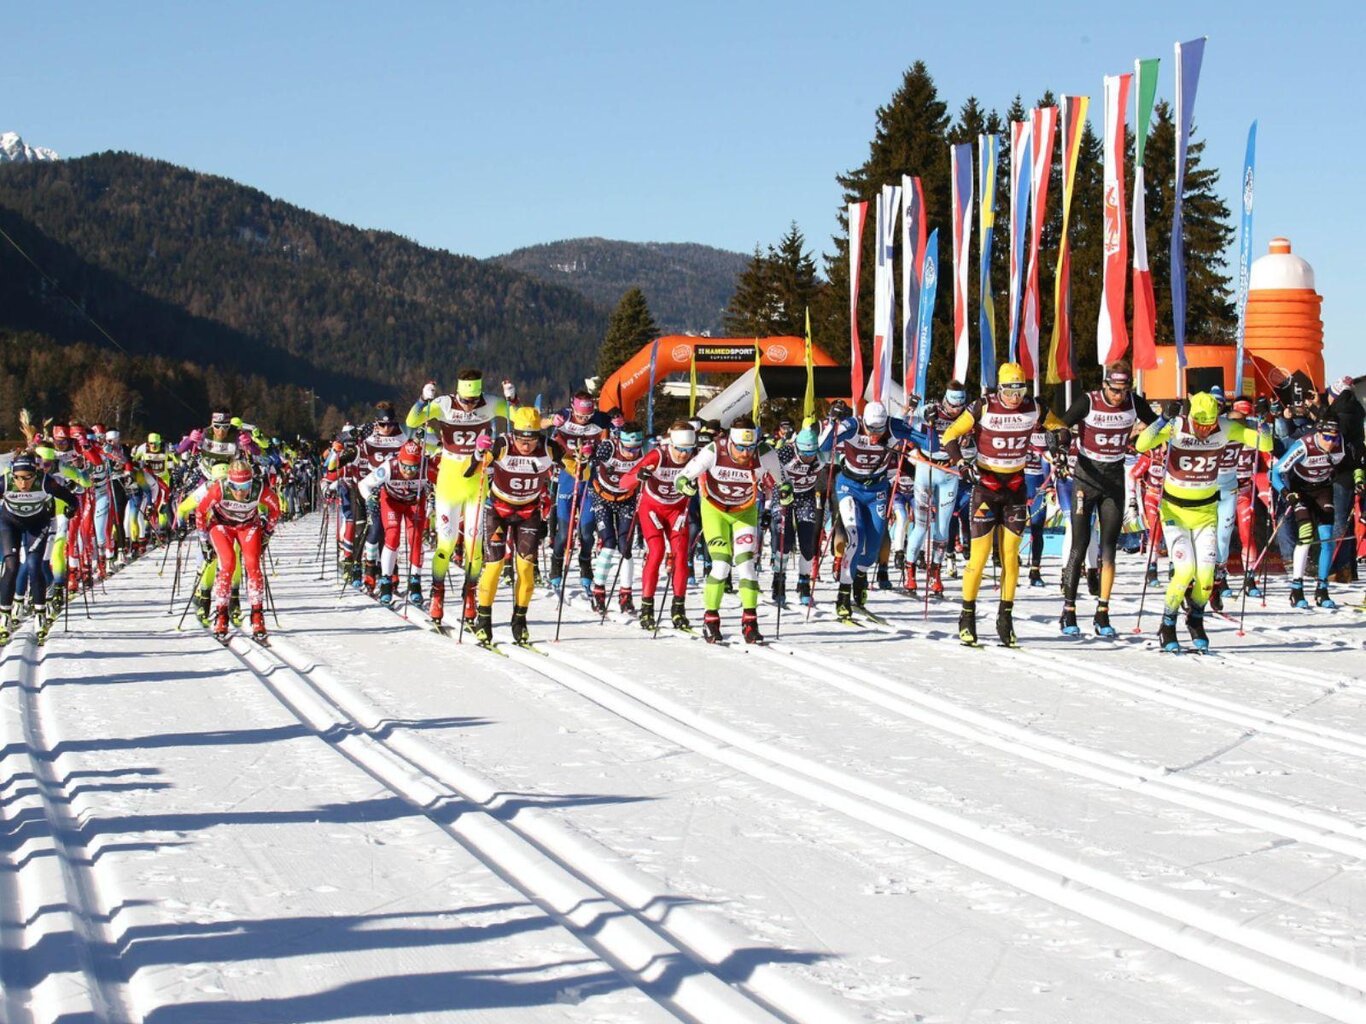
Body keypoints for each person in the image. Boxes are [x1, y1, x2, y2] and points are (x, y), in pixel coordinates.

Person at [1134, 392, 1274, 652]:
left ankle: (1195, 618)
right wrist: (1163, 418)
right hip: (1175, 511)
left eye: (1209, 425)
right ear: (1190, 416)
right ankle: (1167, 623)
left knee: (1208, 577)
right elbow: (1142, 444)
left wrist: (1263, 421)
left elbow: (1264, 445)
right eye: (1199, 424)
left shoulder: (1225, 427)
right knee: (1185, 570)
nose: (1204, 430)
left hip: (1206, 511)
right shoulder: (1178, 425)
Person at [1052, 361, 1158, 637]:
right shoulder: (1089, 401)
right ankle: (1069, 610)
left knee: (1109, 548)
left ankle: (1102, 612)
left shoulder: (1134, 402)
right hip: (1085, 481)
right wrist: (1061, 443)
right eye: (1114, 390)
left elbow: (1158, 427)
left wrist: (1166, 422)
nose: (1119, 396)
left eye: (1123, 390)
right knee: (1081, 542)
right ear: (1105, 385)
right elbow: (1060, 425)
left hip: (1113, 480)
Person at [940, 362, 1043, 646]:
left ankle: (1005, 619)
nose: (1015, 397)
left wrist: (1059, 439)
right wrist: (961, 463)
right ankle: (967, 617)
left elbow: (1059, 424)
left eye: (1020, 390)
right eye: (1010, 391)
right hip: (986, 489)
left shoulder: (1032, 407)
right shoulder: (983, 406)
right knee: (979, 557)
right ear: (1000, 389)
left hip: (1015, 491)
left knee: (1010, 557)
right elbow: (949, 435)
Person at [405, 371, 517, 627]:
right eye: (465, 400)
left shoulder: (488, 402)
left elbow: (519, 419)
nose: (468, 407)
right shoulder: (444, 403)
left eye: (473, 400)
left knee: (474, 546)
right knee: (446, 542)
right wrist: (423, 399)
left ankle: (470, 595)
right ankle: (437, 594)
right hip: (449, 480)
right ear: (458, 394)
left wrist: (513, 398)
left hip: (477, 482)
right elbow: (412, 420)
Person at [676, 415, 787, 644]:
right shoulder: (714, 450)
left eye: (750, 447)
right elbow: (683, 476)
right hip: (715, 510)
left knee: (747, 564)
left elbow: (783, 480)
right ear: (731, 442)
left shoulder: (765, 453)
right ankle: (711, 619)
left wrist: (786, 492)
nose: (746, 453)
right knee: (721, 564)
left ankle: (750, 623)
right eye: (740, 448)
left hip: (744, 511)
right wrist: (684, 485)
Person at [469, 407, 573, 646]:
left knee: (525, 569)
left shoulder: (549, 448)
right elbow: (471, 472)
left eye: (531, 439)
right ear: (513, 434)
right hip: (498, 510)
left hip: (528, 512)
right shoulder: (502, 444)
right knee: (494, 567)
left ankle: (519, 621)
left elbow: (581, 472)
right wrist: (478, 453)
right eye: (521, 439)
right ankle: (483, 621)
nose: (526, 445)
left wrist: (583, 460)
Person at [820, 400, 932, 619]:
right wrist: (834, 423)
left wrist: (929, 424)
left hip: (877, 491)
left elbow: (931, 445)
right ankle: (843, 595)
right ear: (865, 423)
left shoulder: (893, 427)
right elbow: (823, 446)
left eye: (879, 430)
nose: (875, 435)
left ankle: (861, 576)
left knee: (872, 549)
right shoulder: (853, 426)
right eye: (872, 429)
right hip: (849, 487)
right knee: (855, 537)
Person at [620, 421, 697, 631]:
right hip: (651, 507)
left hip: (677, 509)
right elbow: (623, 483)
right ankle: (647, 608)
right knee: (657, 552)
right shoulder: (657, 455)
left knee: (681, 555)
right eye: (680, 449)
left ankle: (678, 610)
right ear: (671, 444)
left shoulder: (695, 458)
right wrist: (638, 476)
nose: (683, 455)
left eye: (688, 450)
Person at [194, 458, 281, 640]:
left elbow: (275, 508)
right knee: (228, 564)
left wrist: (268, 531)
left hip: (248, 525)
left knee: (252, 565)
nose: (240, 492)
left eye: (245, 486)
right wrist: (203, 540)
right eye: (235, 486)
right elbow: (201, 512)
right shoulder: (219, 488)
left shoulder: (258, 489)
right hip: (221, 525)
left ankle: (257, 615)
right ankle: (222, 615)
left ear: (252, 481)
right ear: (229, 482)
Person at [1, 451, 79, 644]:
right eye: (18, 478)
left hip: (37, 525)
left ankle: (40, 615)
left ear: (35, 474)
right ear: (13, 474)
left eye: (28, 478)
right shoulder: (4, 481)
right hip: (9, 523)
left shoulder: (45, 482)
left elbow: (70, 497)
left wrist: (71, 509)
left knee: (35, 564)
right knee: (11, 566)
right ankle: (4, 617)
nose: (23, 484)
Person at [1271, 417, 1346, 608]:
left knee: (1327, 538)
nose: (1331, 443)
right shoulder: (1303, 445)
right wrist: (1286, 493)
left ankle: (1322, 589)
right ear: (1318, 434)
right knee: (1305, 535)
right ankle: (1297, 589)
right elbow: (1275, 472)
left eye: (1335, 439)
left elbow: (1350, 466)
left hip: (1323, 489)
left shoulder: (1340, 445)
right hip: (1301, 490)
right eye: (1327, 438)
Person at [903, 383, 968, 598]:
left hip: (949, 473)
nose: (955, 410)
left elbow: (975, 444)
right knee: (921, 526)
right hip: (926, 469)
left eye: (959, 406)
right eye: (952, 405)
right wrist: (910, 408)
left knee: (942, 529)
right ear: (945, 400)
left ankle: (935, 573)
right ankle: (909, 569)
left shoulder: (966, 416)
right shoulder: (931, 410)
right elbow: (900, 424)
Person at [547, 391, 613, 595]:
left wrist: (599, 449)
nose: (584, 420)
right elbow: (552, 440)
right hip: (569, 476)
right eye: (581, 416)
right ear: (573, 409)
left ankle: (585, 565)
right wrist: (565, 452)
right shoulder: (564, 416)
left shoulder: (599, 418)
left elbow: (613, 427)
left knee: (586, 533)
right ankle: (556, 564)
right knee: (564, 532)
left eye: (588, 416)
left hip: (589, 479)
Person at [357, 439, 431, 606]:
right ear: (399, 460)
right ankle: (386, 582)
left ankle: (415, 582)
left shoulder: (427, 466)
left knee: (416, 539)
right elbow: (364, 484)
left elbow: (445, 480)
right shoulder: (389, 466)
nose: (409, 471)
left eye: (414, 467)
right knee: (392, 536)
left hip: (415, 502)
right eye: (405, 466)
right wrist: (369, 498)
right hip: (392, 502)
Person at [586, 421, 647, 614]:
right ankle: (598, 591)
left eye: (636, 448)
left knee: (626, 546)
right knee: (609, 543)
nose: (632, 452)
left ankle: (625, 595)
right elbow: (593, 459)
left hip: (626, 499)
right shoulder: (609, 446)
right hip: (601, 496)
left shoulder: (644, 453)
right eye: (628, 448)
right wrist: (593, 459)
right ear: (621, 442)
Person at [771, 425, 827, 607]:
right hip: (783, 497)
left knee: (808, 542)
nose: (808, 458)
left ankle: (804, 583)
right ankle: (779, 579)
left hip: (805, 497)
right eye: (804, 454)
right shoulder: (785, 453)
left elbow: (840, 449)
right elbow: (767, 467)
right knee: (784, 541)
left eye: (812, 454)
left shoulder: (820, 455)